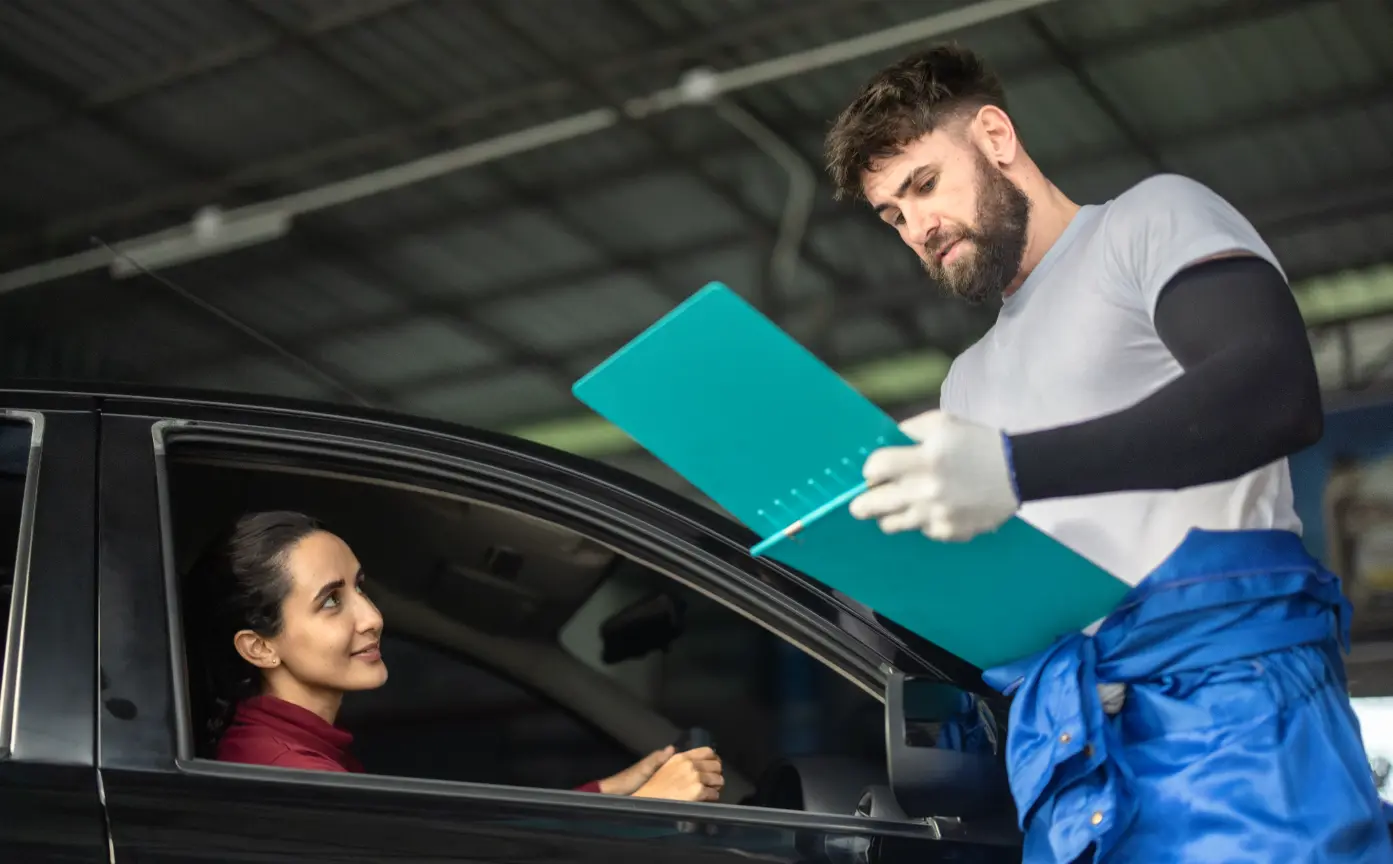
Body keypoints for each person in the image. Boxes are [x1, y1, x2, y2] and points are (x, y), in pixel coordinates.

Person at [823, 44, 1390, 862]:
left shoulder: (1147, 221)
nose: (918, 228)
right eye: (893, 216)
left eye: (922, 185)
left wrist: (1013, 469)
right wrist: (880, 585)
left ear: (993, 135)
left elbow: (1270, 391)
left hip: (1234, 713)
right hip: (1074, 750)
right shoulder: (965, 385)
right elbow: (999, 598)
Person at [183, 510, 724, 803]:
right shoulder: (289, 775)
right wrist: (648, 812)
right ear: (259, 646)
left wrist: (610, 793)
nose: (371, 616)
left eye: (360, 588)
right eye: (332, 601)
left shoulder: (287, 751)